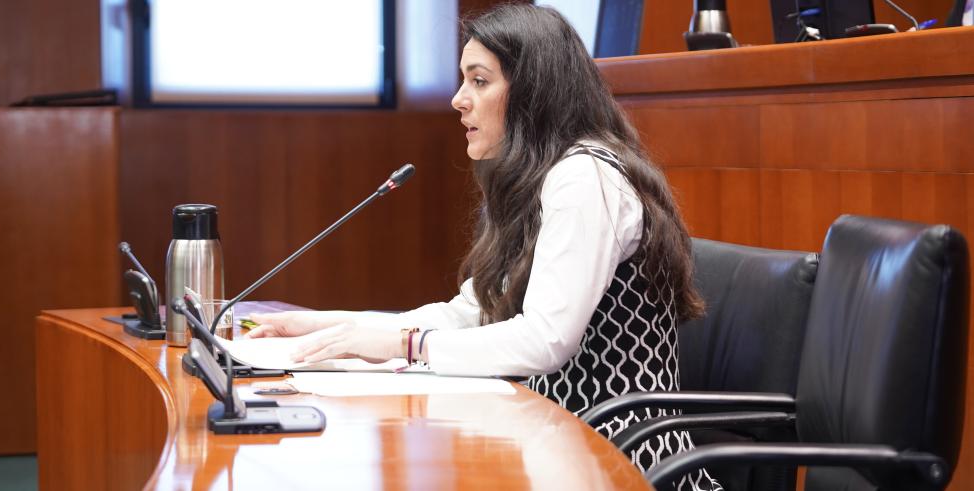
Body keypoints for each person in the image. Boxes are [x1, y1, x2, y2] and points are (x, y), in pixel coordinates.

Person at [246, 4, 721, 489]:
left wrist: (402, 345)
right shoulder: (534, 178)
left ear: (533, 91)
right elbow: (468, 312)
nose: (457, 99)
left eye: (479, 81)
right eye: (462, 80)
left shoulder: (586, 177)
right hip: (547, 437)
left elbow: (544, 341)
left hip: (615, 450)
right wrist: (328, 327)